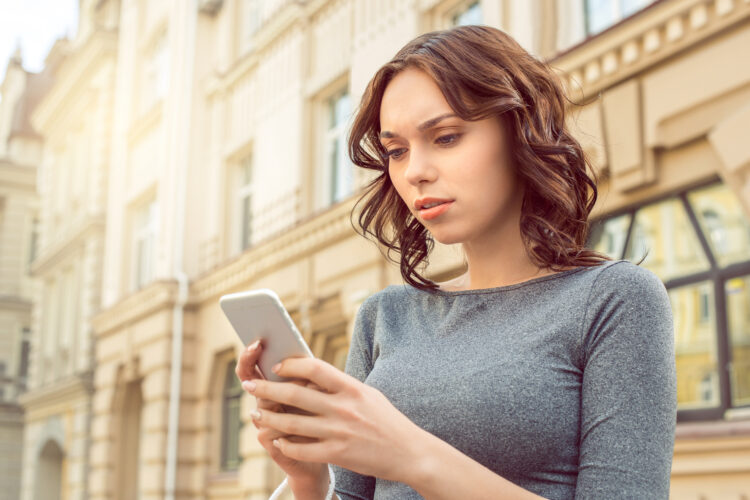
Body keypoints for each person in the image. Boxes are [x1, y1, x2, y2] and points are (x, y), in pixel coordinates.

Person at [235, 25, 676, 500]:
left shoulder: (613, 301)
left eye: (445, 137)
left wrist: (410, 455)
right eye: (397, 151)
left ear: (519, 131)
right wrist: (307, 479)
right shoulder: (384, 317)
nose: (414, 172)